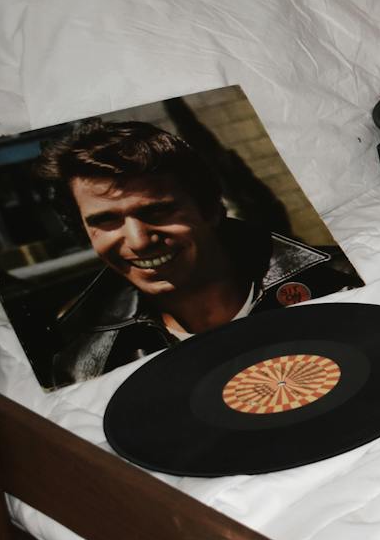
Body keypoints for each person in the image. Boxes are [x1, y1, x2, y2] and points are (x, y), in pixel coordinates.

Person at [36, 118, 361, 387]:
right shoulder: (84, 366)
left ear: (210, 209)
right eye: (105, 221)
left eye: (156, 212)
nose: (137, 241)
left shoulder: (343, 280)